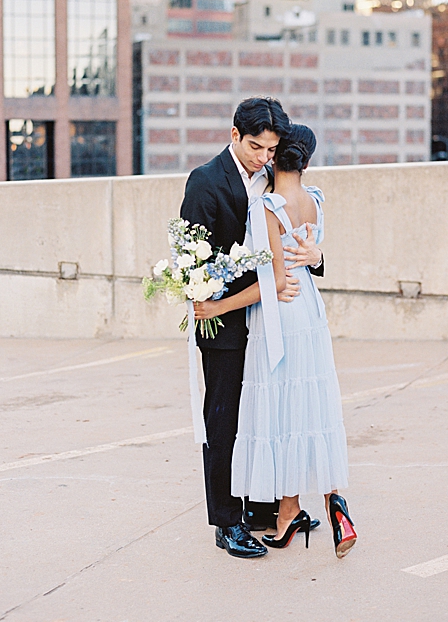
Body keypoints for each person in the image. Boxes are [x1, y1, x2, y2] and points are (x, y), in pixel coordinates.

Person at [194, 124, 357, 558]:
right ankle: (321, 498)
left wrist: (217, 307)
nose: (263, 155)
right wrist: (315, 256)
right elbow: (304, 257)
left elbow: (275, 279)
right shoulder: (315, 199)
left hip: (277, 314)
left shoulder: (266, 205)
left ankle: (285, 512)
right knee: (307, 405)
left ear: (278, 154)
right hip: (310, 312)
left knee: (278, 412)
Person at [180, 97, 324, 559]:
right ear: (234, 135)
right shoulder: (205, 182)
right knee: (223, 421)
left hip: (270, 320)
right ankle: (226, 521)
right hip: (225, 321)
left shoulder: (273, 179)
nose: (264, 158)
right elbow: (192, 259)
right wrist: (206, 300)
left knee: (266, 413)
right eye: (257, 148)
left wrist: (316, 257)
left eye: (271, 150)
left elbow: (297, 240)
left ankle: (263, 508)